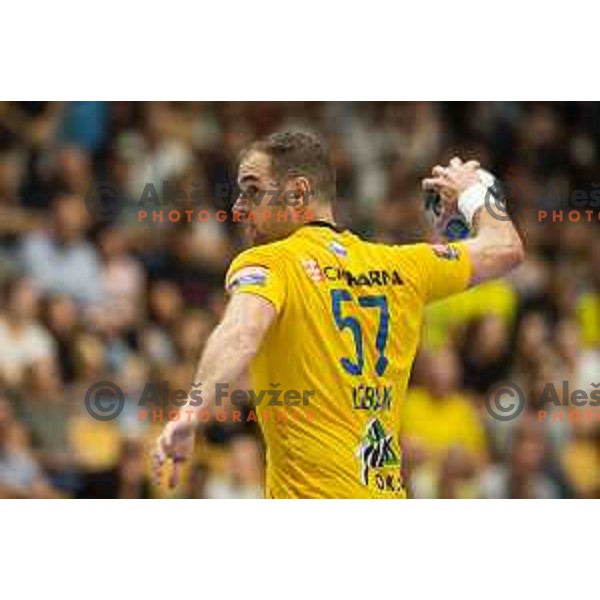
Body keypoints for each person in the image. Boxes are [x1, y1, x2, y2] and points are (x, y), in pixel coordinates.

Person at [153, 131, 524, 499]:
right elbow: (505, 248)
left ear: (298, 193)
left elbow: (241, 332)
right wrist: (475, 192)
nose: (237, 208)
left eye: (252, 190)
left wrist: (190, 414)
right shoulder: (404, 266)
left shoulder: (271, 261)